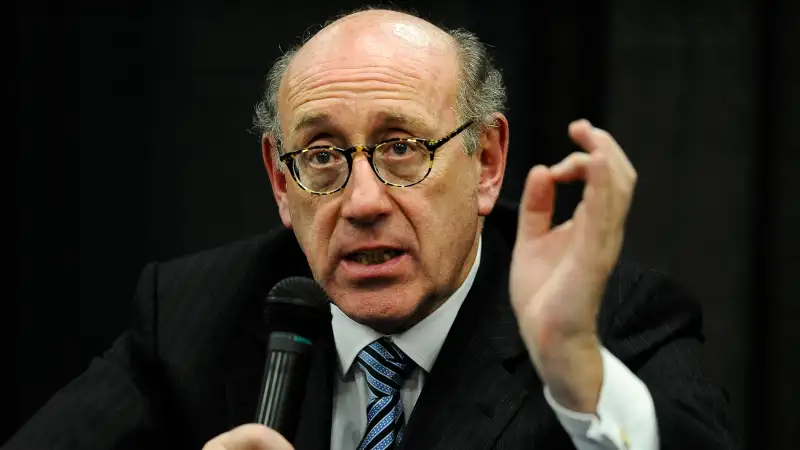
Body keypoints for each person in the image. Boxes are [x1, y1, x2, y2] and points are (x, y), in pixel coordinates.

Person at [4, 7, 734, 450]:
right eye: (321, 157)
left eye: (401, 149)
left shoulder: (606, 322)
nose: (360, 203)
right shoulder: (193, 315)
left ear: (486, 161)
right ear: (280, 182)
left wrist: (577, 370)